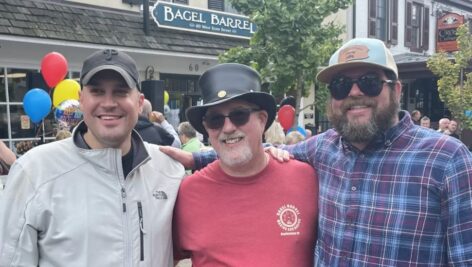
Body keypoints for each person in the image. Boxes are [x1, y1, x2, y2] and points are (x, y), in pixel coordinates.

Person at [162, 38, 472, 266]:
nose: (354, 93)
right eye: (340, 85)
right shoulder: (322, 149)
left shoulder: (446, 159)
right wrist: (197, 157)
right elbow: (255, 149)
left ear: (396, 89)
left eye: (369, 82)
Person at [0, 49, 185, 266]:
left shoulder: (169, 171)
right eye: (97, 91)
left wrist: (203, 159)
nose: (108, 103)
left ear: (139, 101)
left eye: (121, 92)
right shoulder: (34, 171)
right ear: (81, 100)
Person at [173, 63, 318, 266]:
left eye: (239, 115)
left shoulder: (306, 179)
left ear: (261, 119)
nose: (228, 127)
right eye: (215, 119)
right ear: (207, 128)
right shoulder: (188, 192)